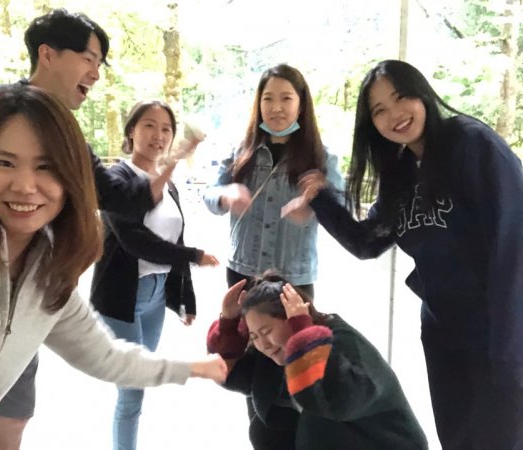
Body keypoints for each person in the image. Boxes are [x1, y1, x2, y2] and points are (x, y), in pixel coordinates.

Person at [0, 9, 178, 449]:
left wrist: (163, 167)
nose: (95, 74)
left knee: (12, 418)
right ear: (48, 54)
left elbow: (113, 195)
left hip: (22, 297)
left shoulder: (66, 134)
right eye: (89, 59)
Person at [299, 59, 523, 449]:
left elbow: (513, 248)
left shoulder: (472, 144)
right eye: (379, 110)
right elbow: (368, 241)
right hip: (443, 334)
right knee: (458, 440)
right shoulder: (401, 173)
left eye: (401, 97)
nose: (395, 114)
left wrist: (509, 354)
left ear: (422, 94)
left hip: (495, 334)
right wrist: (321, 198)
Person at [89, 100, 219, 450]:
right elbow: (136, 242)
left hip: (156, 298)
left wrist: (184, 299)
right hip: (122, 298)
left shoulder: (169, 186)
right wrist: (195, 257)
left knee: (140, 383)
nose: (158, 135)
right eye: (149, 125)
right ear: (131, 131)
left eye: (166, 129)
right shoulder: (116, 180)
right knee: (132, 388)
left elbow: (175, 239)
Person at [207, 273, 428, 450]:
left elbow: (338, 401)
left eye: (266, 331)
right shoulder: (275, 351)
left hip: (386, 443)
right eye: (254, 336)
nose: (263, 344)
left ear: (291, 316)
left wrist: (304, 335)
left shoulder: (341, 341)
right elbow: (230, 375)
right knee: (268, 426)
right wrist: (228, 322)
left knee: (313, 418)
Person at [202, 63, 344, 299]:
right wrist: (226, 196)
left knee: (296, 326)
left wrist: (318, 204)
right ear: (259, 104)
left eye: (286, 98)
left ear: (301, 105)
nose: (276, 107)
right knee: (237, 325)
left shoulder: (321, 157)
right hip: (242, 272)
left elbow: (345, 208)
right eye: (268, 99)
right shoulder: (241, 151)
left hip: (294, 279)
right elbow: (209, 193)